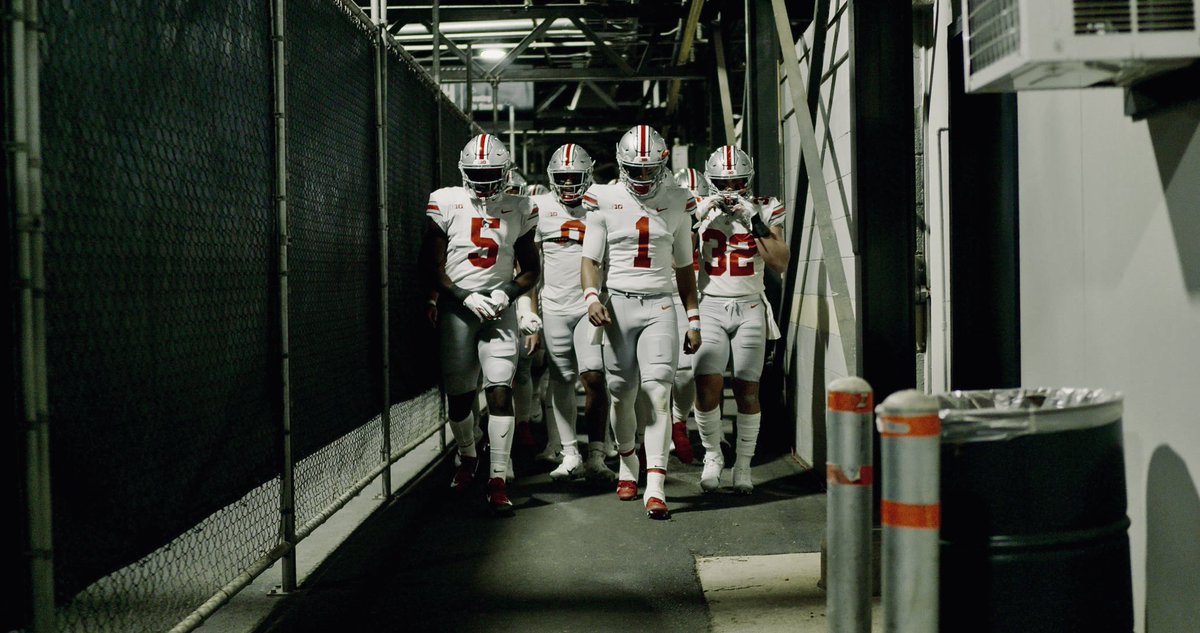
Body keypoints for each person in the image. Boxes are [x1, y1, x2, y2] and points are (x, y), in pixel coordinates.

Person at [581, 125, 701, 520]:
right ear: (621, 164)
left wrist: (693, 317)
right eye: (635, 169)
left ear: (663, 164)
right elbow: (591, 260)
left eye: (649, 170)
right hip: (618, 307)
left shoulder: (679, 200)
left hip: (660, 307)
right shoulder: (603, 197)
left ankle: (656, 485)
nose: (643, 177)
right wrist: (591, 297)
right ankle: (628, 460)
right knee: (620, 393)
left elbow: (684, 269)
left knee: (658, 396)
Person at [421, 133, 540, 515]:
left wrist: (507, 292)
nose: (485, 182)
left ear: (504, 172)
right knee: (458, 394)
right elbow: (432, 266)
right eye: (477, 173)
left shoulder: (520, 207)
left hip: (498, 310)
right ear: (463, 171)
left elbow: (531, 269)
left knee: (499, 388)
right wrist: (461, 295)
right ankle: (469, 455)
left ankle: (499, 477)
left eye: (491, 173)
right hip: (460, 307)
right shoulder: (446, 201)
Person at [692, 145, 789, 494]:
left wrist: (755, 221)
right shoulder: (697, 204)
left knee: (748, 389)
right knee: (707, 385)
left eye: (736, 182)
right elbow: (673, 249)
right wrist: (696, 216)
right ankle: (713, 456)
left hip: (749, 305)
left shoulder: (764, 206)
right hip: (710, 304)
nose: (730, 190)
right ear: (709, 179)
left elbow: (779, 262)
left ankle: (744, 466)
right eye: (722, 182)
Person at [530, 143, 617, 484]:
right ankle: (569, 452)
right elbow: (532, 265)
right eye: (561, 178)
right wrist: (531, 309)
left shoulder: (603, 201)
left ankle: (596, 452)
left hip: (590, 305)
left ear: (587, 175)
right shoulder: (540, 207)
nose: (567, 184)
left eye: (573, 177)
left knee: (593, 375)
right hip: (553, 306)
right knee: (561, 379)